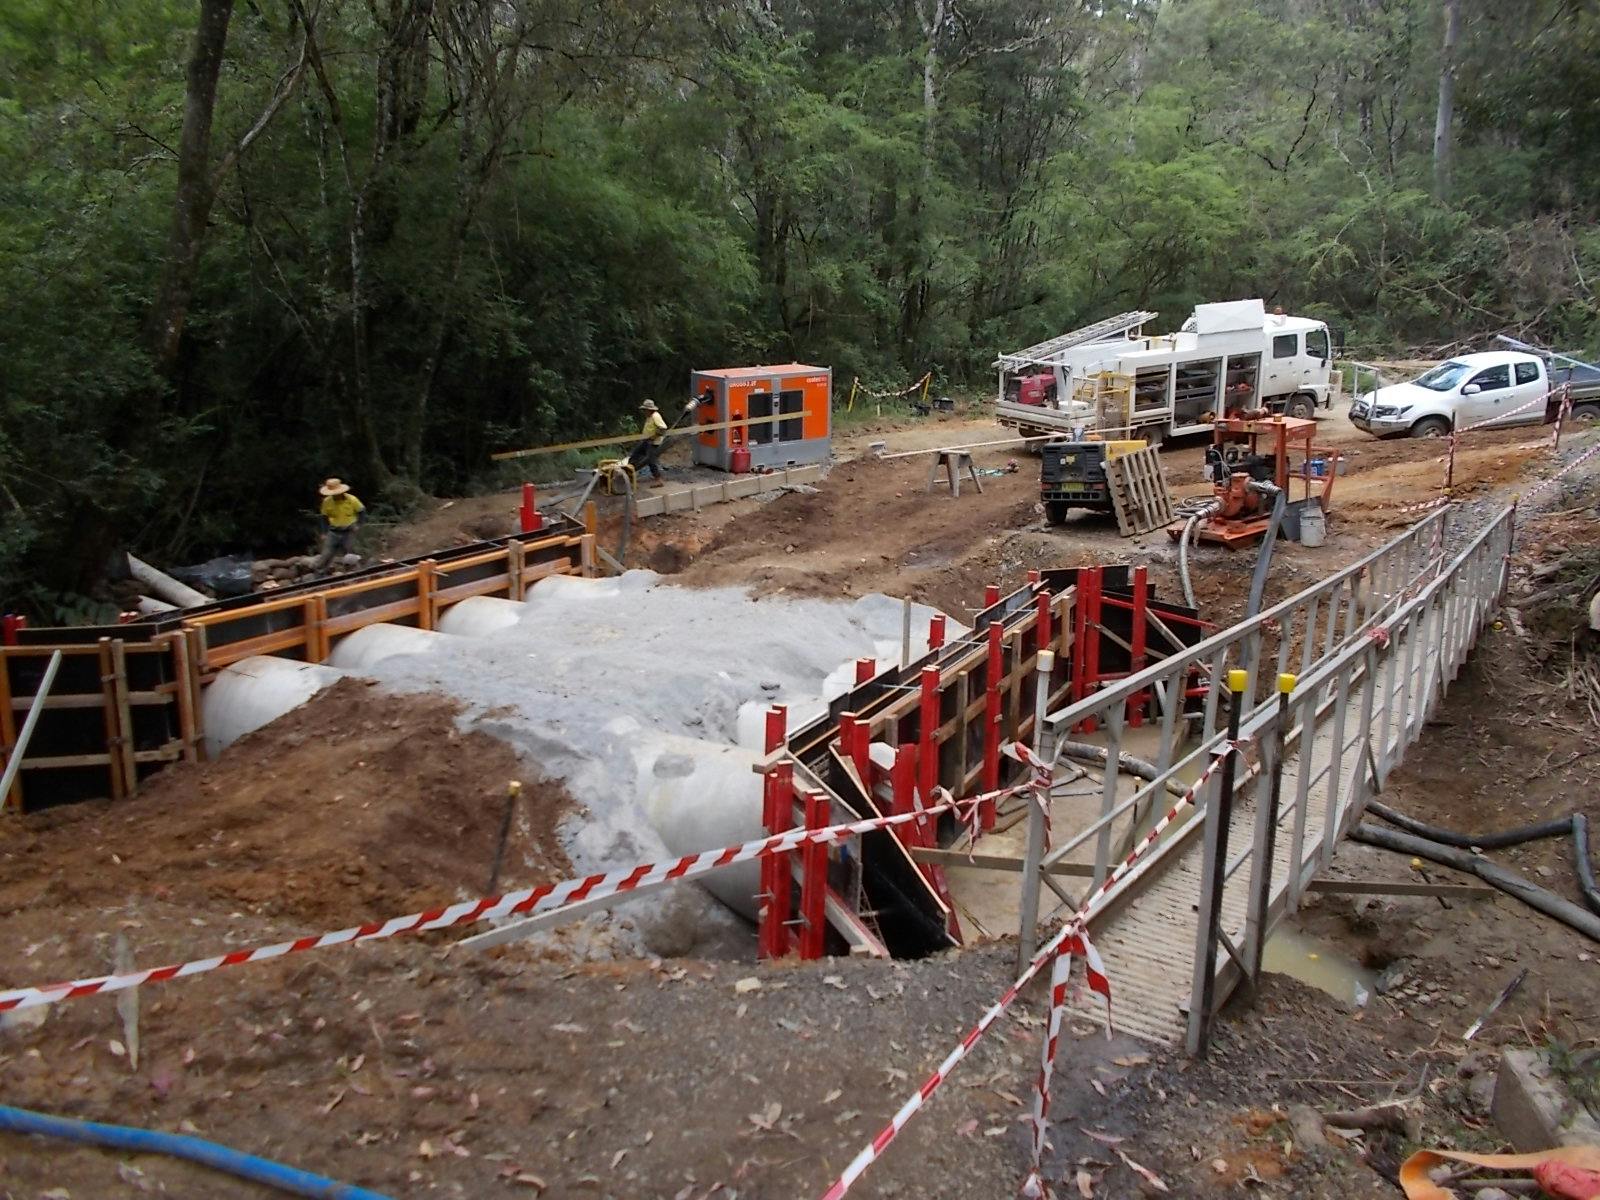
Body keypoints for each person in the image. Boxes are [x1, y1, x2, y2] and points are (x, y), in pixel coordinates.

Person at [314, 477, 365, 574]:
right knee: (326, 554)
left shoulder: (351, 499)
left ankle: (356, 573)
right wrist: (324, 532)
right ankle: (319, 574)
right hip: (333, 532)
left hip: (349, 530)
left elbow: (362, 511)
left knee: (350, 554)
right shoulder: (327, 502)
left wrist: (359, 525)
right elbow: (324, 518)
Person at [630, 399, 670, 487]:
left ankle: (658, 479)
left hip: (653, 442)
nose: (644, 412)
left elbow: (663, 428)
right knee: (635, 454)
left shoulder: (655, 416)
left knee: (651, 460)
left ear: (649, 410)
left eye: (645, 410)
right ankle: (629, 475)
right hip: (647, 441)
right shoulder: (650, 417)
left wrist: (653, 437)